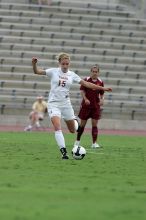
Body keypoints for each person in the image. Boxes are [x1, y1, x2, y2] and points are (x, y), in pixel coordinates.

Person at [31, 52, 112, 159]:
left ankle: (75, 122)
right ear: (59, 63)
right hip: (53, 104)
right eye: (63, 64)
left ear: (69, 64)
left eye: (67, 64)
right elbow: (37, 71)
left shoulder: (72, 75)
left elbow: (87, 84)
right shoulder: (53, 71)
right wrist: (34, 64)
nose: (65, 66)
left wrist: (103, 88)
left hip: (66, 104)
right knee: (57, 127)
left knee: (72, 130)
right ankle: (64, 152)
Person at [74, 64, 105, 149]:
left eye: (96, 72)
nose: (94, 73)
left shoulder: (100, 82)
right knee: (82, 125)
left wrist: (102, 99)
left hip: (95, 106)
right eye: (93, 71)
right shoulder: (86, 80)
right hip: (86, 106)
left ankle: (94, 143)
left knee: (94, 125)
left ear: (98, 73)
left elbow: (102, 93)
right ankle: (77, 142)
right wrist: (85, 99)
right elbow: (82, 91)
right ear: (91, 72)